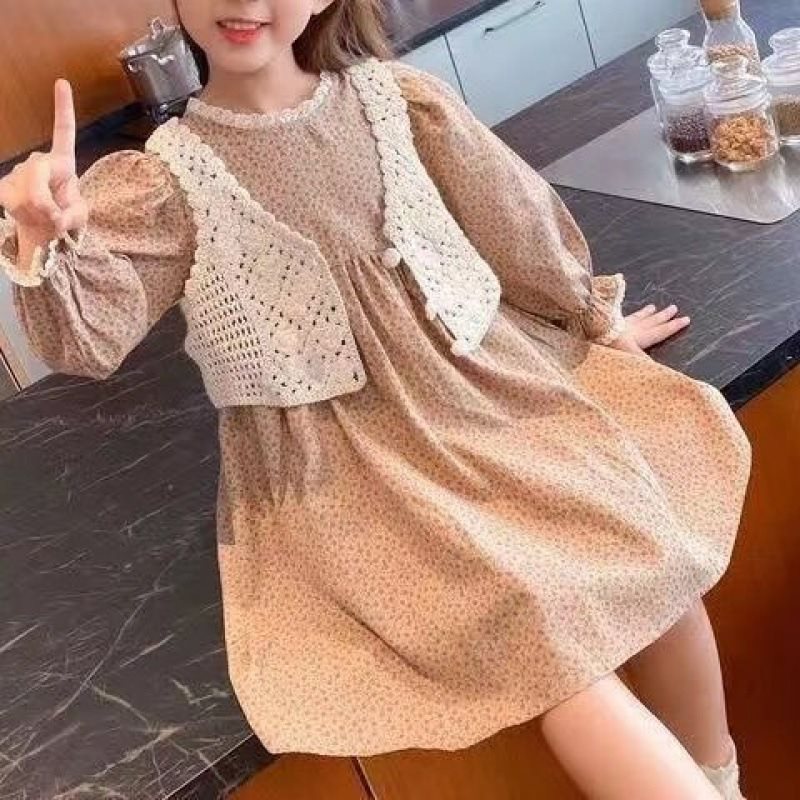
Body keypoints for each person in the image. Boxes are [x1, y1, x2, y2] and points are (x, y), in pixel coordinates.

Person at [0, 1, 752, 797]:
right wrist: (45, 243)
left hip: (488, 396)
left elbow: (515, 226)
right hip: (350, 471)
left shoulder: (398, 103)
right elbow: (87, 340)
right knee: (546, 642)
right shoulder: (169, 178)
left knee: (655, 561)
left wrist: (590, 322)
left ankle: (725, 781)